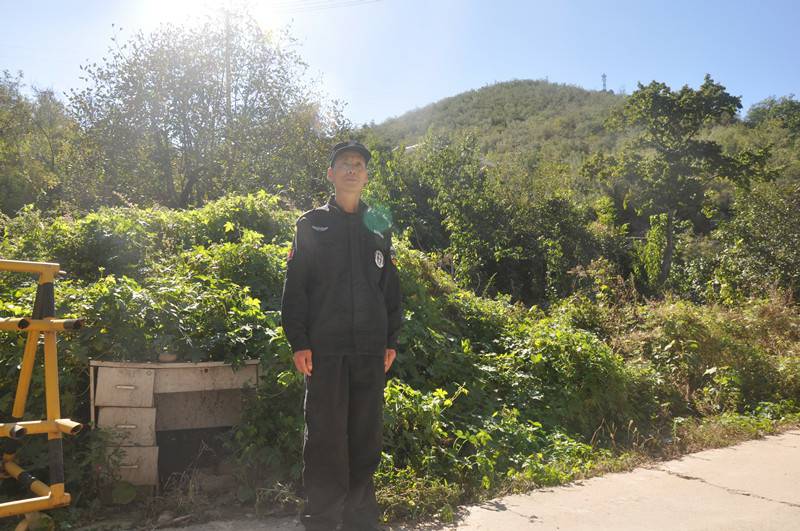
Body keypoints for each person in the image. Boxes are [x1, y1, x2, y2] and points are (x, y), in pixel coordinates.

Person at [281, 140, 402, 531]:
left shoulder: (378, 226)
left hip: (369, 349)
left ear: (366, 176)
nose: (352, 169)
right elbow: (296, 287)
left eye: (359, 164)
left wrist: (391, 340)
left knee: (365, 438)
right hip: (325, 351)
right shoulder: (311, 224)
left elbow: (390, 288)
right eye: (345, 164)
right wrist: (299, 340)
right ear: (331, 174)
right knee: (325, 438)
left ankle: (359, 520)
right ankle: (321, 521)